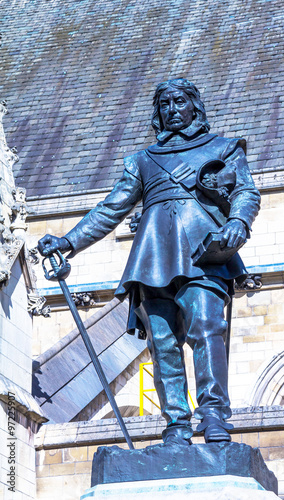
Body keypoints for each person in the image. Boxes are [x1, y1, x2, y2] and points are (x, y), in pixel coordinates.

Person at [38, 78, 260, 446]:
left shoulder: (224, 147)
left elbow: (246, 191)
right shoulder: (143, 161)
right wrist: (68, 241)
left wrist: (238, 220)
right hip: (153, 256)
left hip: (204, 251)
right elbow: (110, 209)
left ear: (194, 107)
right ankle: (176, 424)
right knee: (162, 342)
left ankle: (214, 415)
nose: (172, 110)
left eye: (179, 102)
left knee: (206, 327)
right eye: (164, 105)